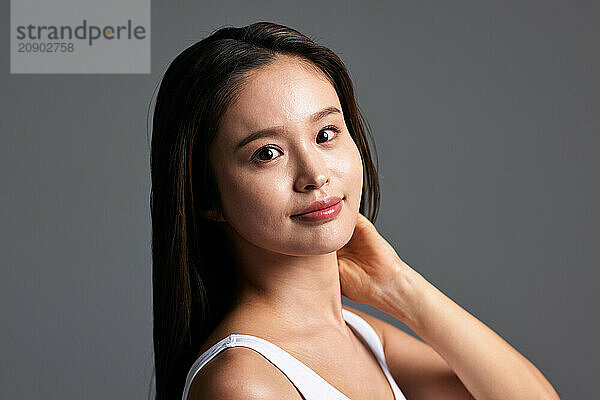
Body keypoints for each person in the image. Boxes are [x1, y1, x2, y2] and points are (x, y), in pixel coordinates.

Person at [149, 22, 560, 400]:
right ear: (206, 197)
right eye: (267, 153)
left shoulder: (361, 335)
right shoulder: (242, 382)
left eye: (326, 134)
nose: (315, 175)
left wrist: (398, 286)